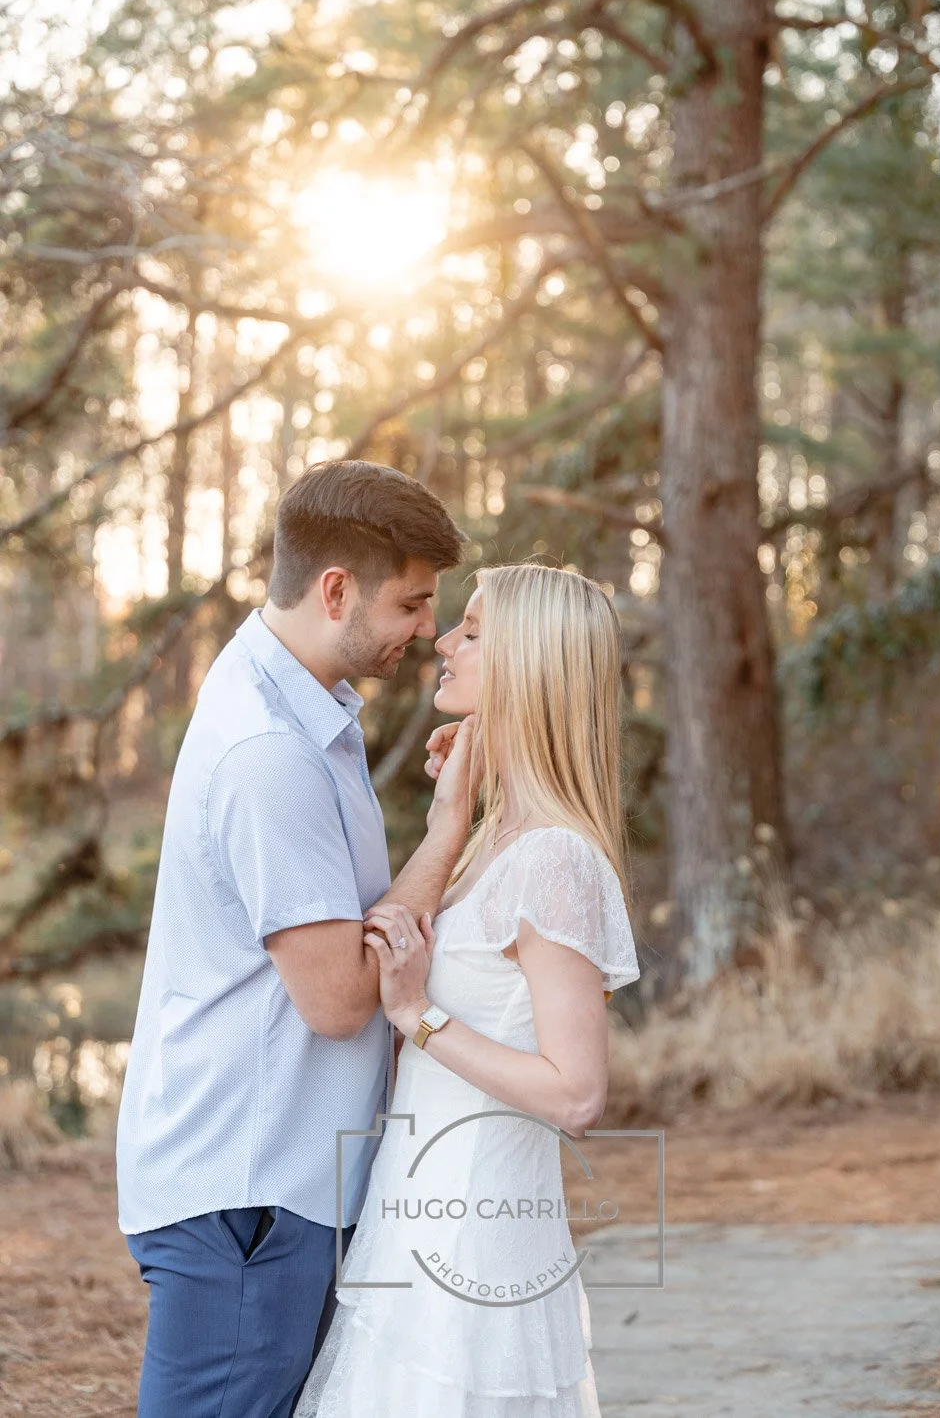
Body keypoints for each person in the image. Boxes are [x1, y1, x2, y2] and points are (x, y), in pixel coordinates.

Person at [116, 457, 473, 1418]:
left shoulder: (300, 706)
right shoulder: (269, 750)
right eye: (412, 603)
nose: (425, 631)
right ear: (335, 590)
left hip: (275, 1180)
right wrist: (448, 830)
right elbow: (339, 999)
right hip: (249, 1188)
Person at [293, 562, 642, 1418]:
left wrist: (419, 1014)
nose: (443, 640)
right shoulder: (501, 844)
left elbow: (577, 1092)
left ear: (529, 669)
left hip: (478, 1245)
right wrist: (452, 816)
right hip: (416, 1217)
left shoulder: (557, 860)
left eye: (474, 633)